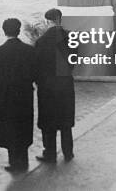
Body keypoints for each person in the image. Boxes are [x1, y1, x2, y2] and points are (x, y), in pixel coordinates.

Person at [0, 18, 36, 172]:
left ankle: (13, 161)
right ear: (19, 30)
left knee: (9, 127)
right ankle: (24, 159)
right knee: (23, 125)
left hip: (5, 96)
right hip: (24, 95)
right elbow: (34, 73)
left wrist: (1, 86)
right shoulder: (28, 50)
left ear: (4, 31)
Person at [33, 8, 75, 163]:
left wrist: (39, 81)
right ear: (60, 19)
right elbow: (73, 61)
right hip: (65, 84)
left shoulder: (41, 41)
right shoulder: (71, 38)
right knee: (65, 121)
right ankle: (68, 152)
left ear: (48, 21)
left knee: (48, 121)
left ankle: (49, 153)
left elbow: (36, 66)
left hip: (47, 86)